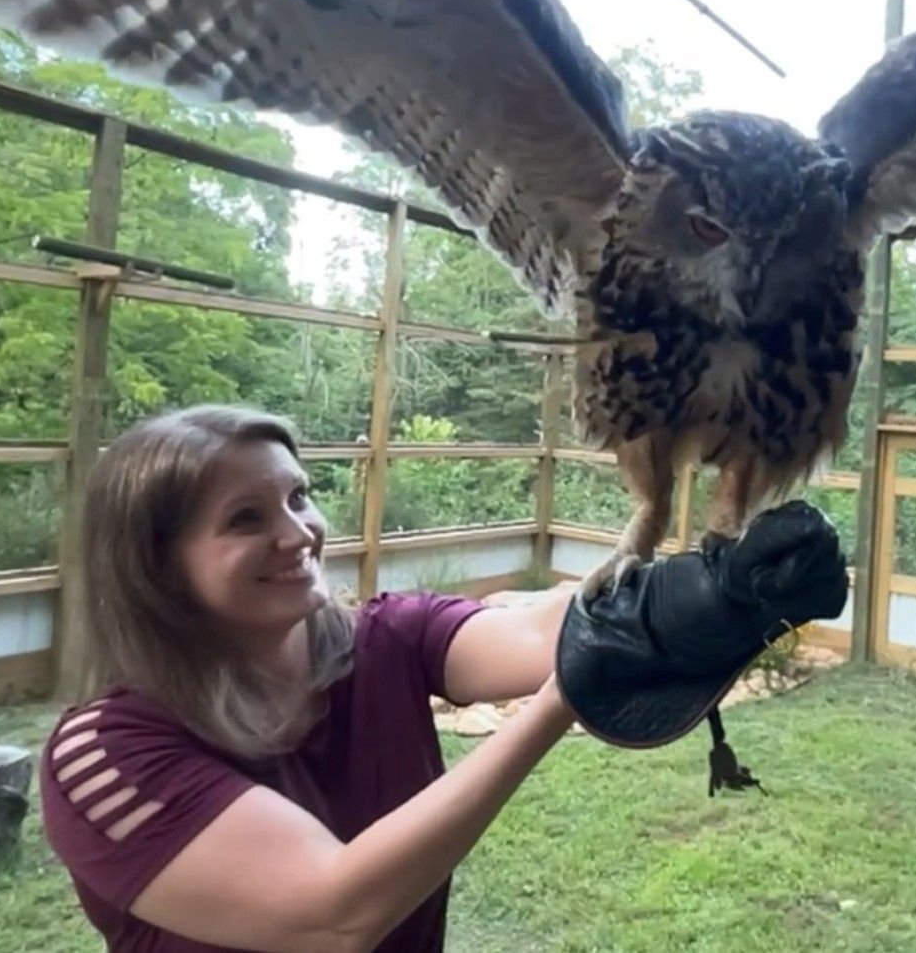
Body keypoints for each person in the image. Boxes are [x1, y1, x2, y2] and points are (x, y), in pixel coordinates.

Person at [37, 404, 583, 952]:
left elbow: (542, 637)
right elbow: (333, 917)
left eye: (297, 497)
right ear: (155, 566)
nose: (299, 534)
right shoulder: (104, 756)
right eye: (246, 518)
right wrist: (557, 703)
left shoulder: (392, 639)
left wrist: (651, 590)